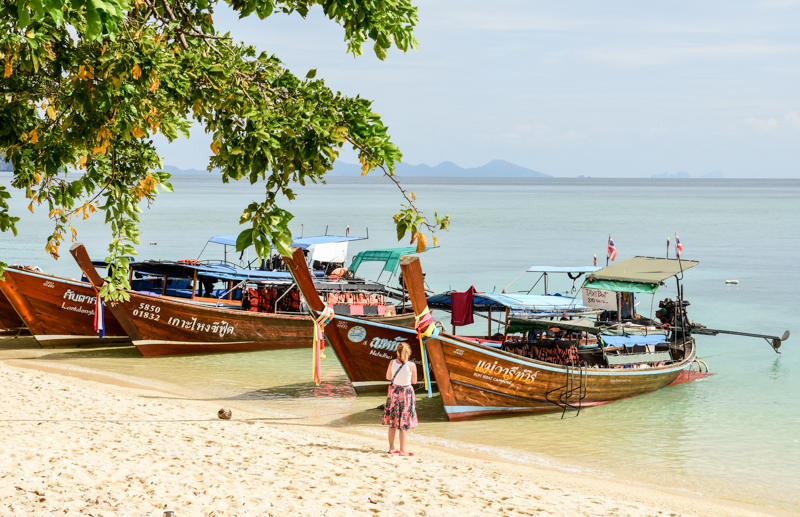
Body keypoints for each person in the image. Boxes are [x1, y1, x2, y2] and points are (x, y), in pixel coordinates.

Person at [382, 342, 418, 456]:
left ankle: (392, 448)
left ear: (397, 352)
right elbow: (414, 382)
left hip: (394, 392)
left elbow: (388, 377)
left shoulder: (392, 362)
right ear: (408, 353)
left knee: (392, 422)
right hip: (406, 393)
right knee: (404, 422)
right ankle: (403, 450)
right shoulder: (411, 365)